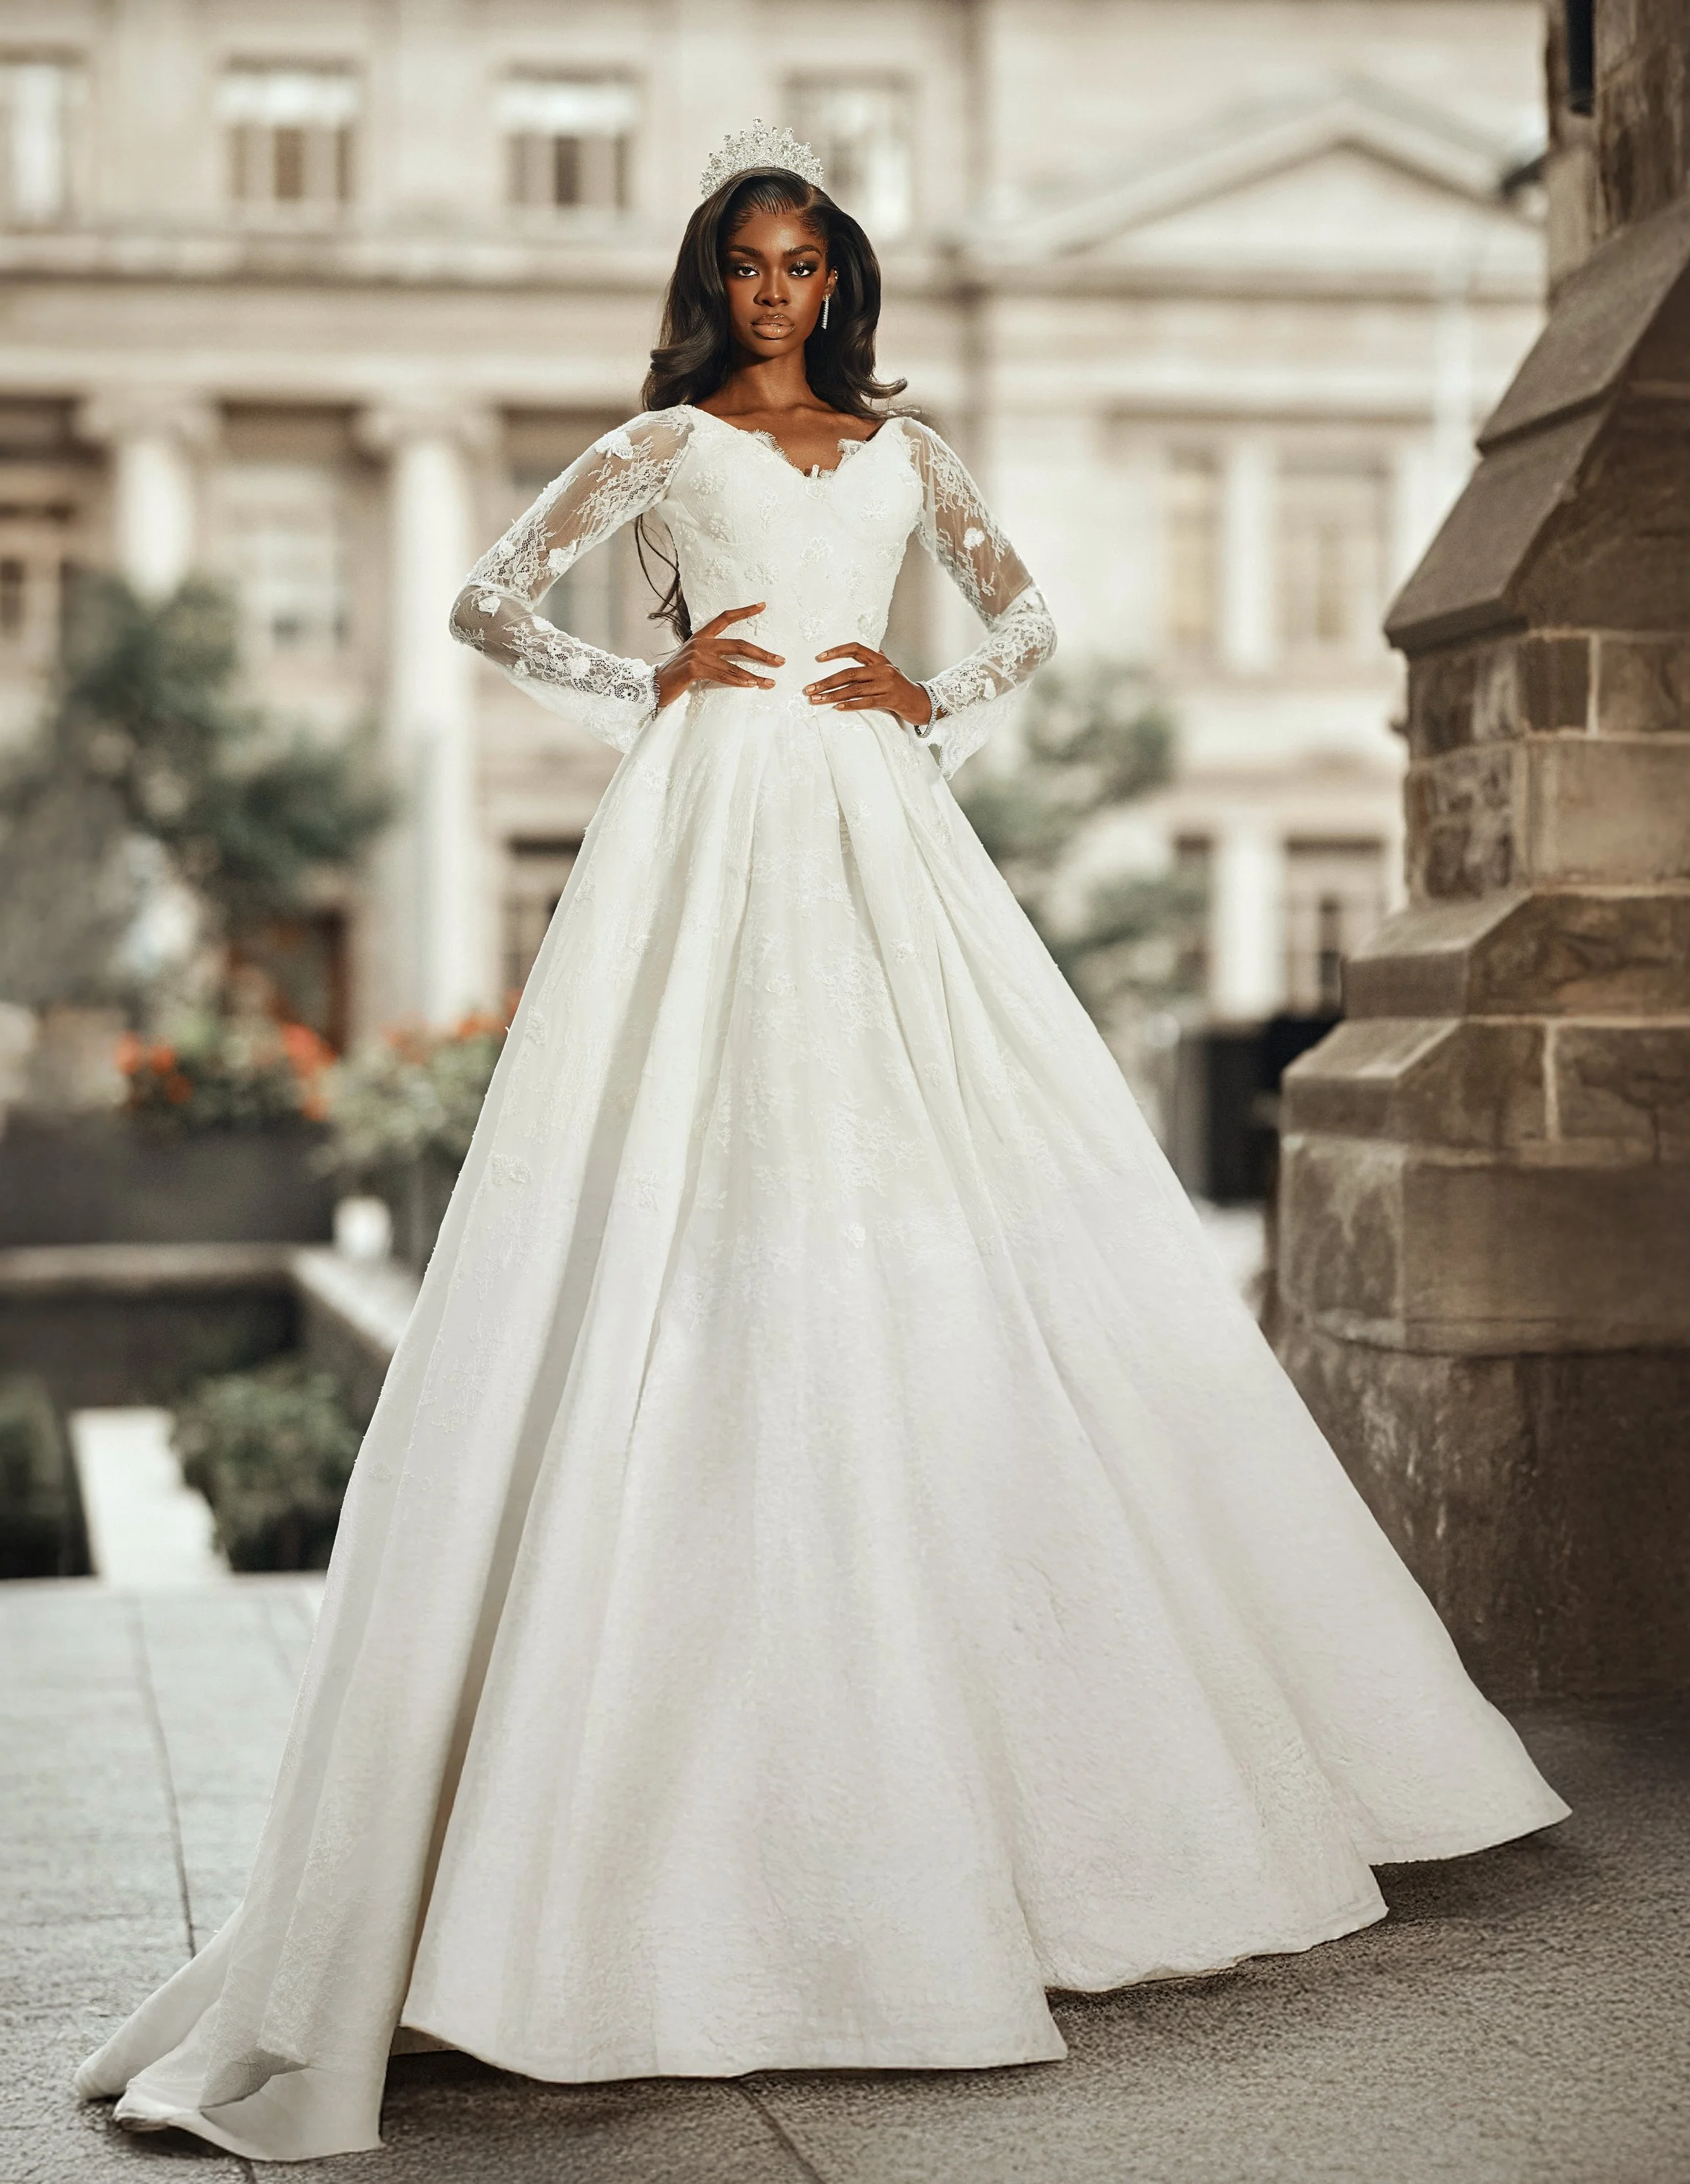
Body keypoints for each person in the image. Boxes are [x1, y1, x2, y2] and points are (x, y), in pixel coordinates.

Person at [76, 123, 1567, 2164]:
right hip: (702, 817)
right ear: (716, 280)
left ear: (842, 282)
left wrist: (923, 696)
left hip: (874, 815)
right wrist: (650, 674)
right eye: (749, 265)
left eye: (805, 266)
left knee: (932, 1159)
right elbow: (487, 601)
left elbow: (1025, 619)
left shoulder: (903, 450)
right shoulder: (660, 443)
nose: (778, 293)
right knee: (682, 1159)